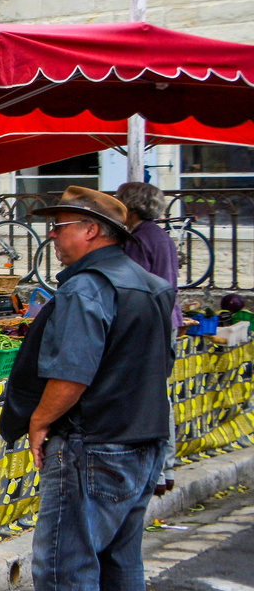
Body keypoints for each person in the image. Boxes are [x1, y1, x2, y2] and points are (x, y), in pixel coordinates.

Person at [0, 186, 175, 591]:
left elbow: (71, 374)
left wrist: (39, 423)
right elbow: (160, 364)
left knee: (66, 562)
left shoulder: (86, 288)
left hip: (95, 441)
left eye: (62, 225)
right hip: (141, 438)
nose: (53, 234)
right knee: (120, 559)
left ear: (92, 230)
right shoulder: (150, 285)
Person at [115, 180, 181, 496]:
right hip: (167, 319)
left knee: (151, 397)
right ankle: (164, 469)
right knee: (159, 395)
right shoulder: (160, 236)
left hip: (151, 324)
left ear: (130, 206)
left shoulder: (139, 239)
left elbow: (133, 289)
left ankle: (157, 470)